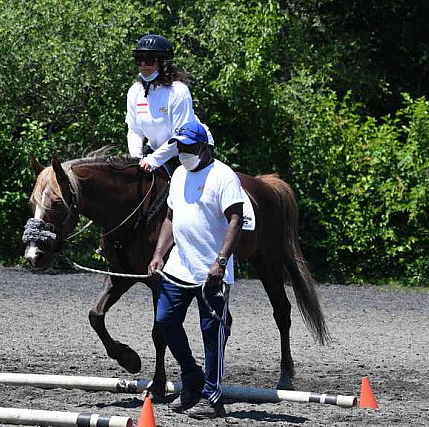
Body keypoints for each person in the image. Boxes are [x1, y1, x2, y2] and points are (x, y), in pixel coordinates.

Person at [148, 120, 243, 419]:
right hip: (180, 266)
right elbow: (170, 218)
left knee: (212, 330)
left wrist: (221, 261)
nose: (183, 153)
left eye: (189, 147)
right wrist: (159, 254)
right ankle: (192, 377)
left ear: (204, 148)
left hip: (211, 271)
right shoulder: (177, 174)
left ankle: (211, 396)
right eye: (180, 147)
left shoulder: (223, 176)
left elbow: (236, 219)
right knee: (165, 319)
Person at [126, 34, 214, 173]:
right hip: (156, 151)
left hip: (190, 151)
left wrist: (153, 160)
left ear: (163, 62)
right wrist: (136, 159)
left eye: (148, 59)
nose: (143, 64)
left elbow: (181, 137)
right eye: (139, 59)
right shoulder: (134, 91)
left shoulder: (178, 91)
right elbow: (134, 130)